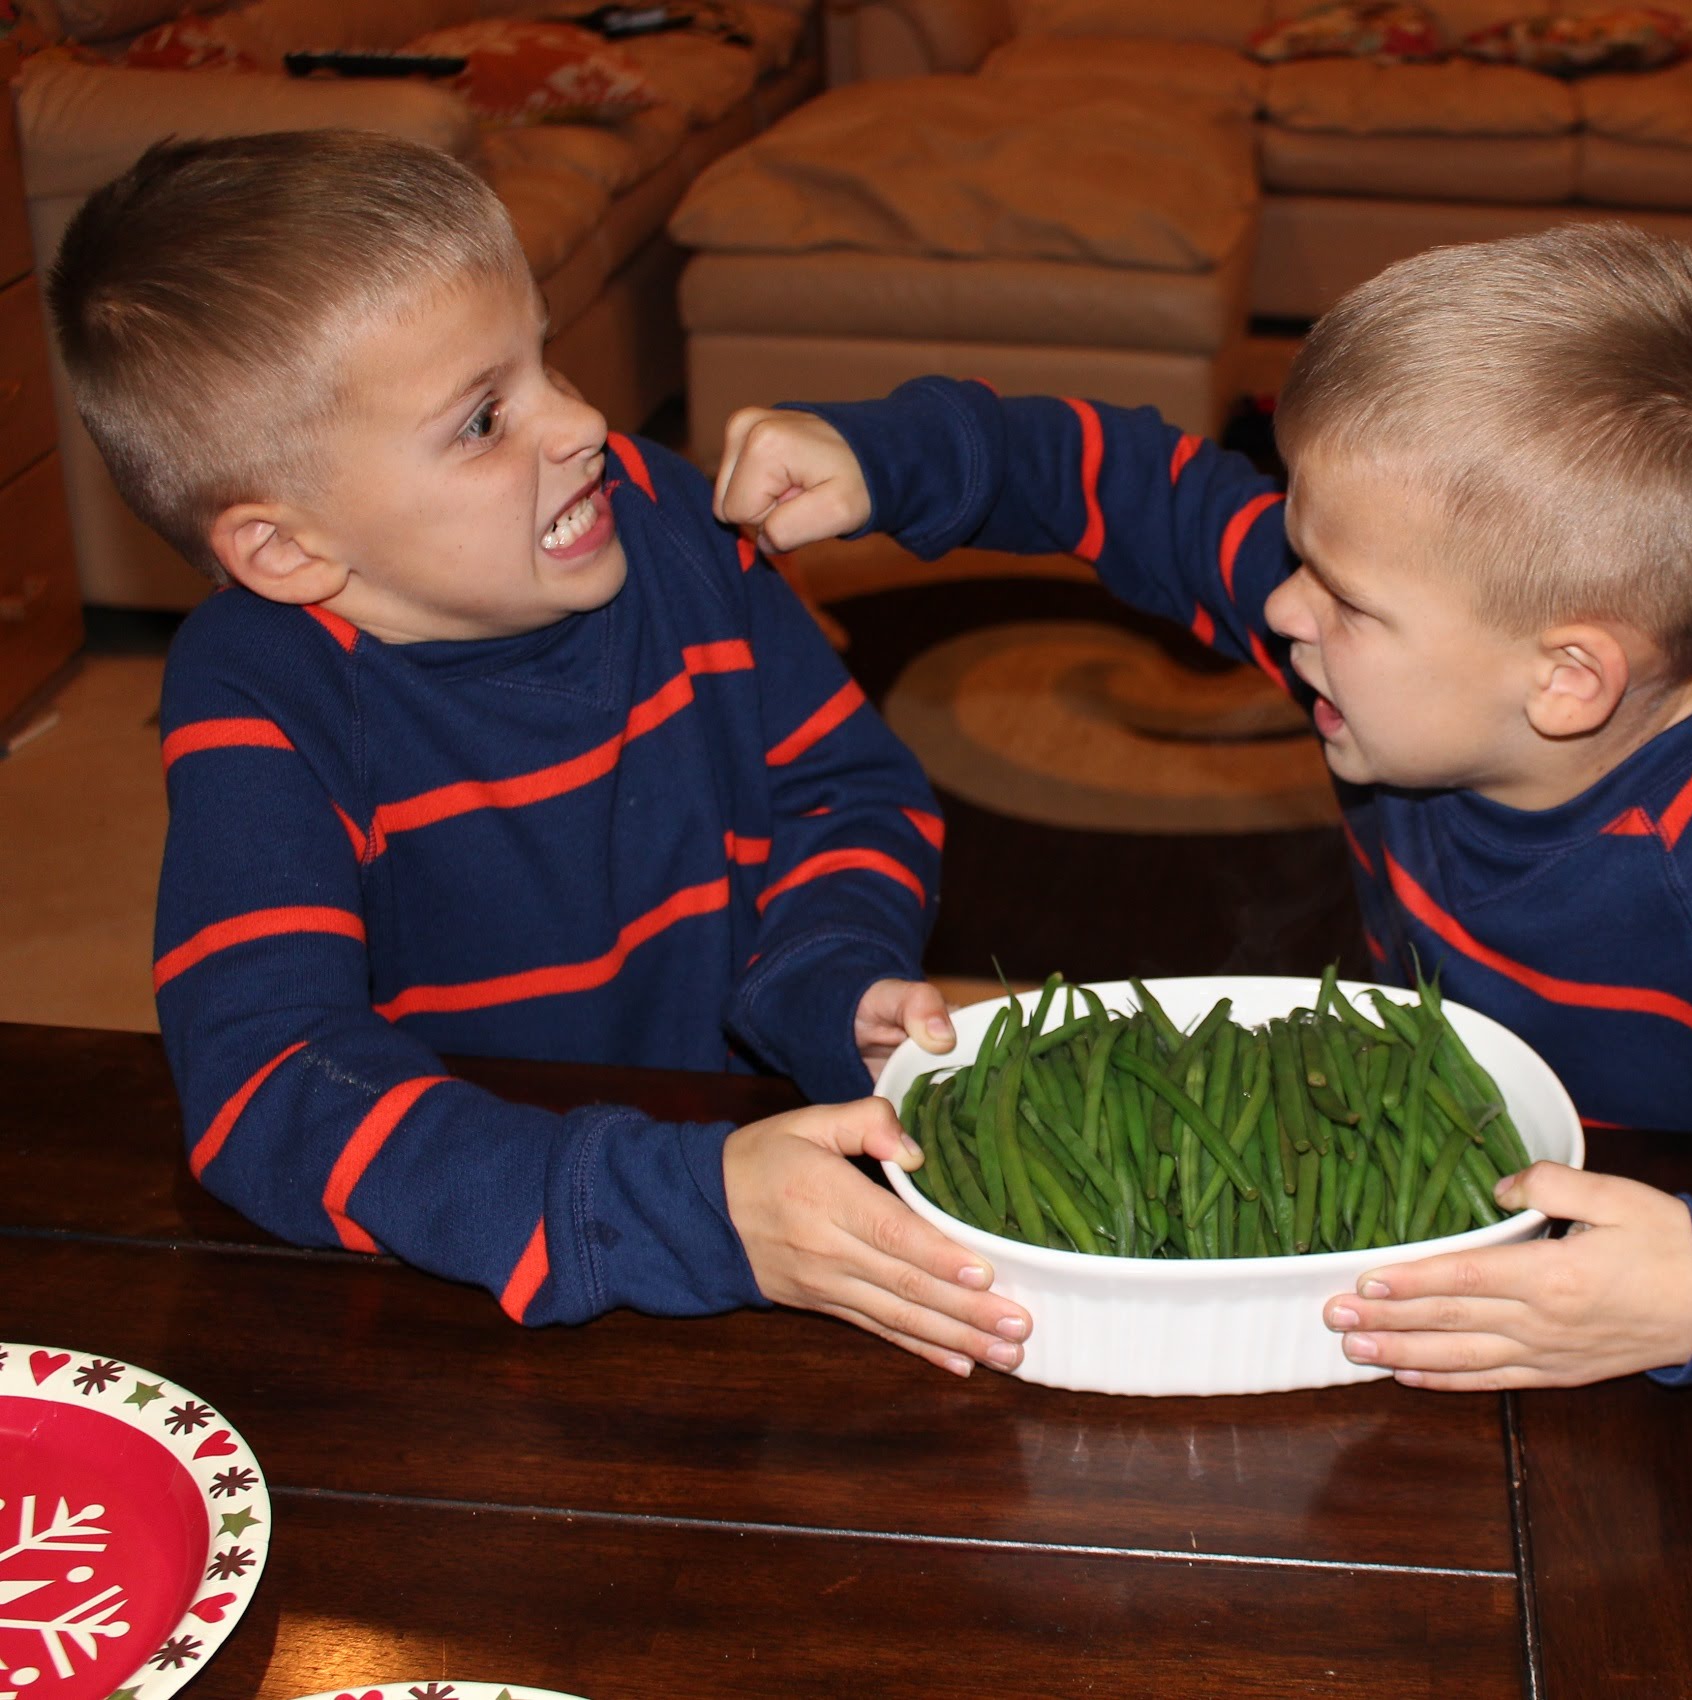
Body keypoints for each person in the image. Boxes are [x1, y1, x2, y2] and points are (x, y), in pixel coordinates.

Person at [712, 222, 1692, 1390]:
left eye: (1338, 594)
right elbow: (1131, 487)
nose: (1274, 605)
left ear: (1566, 681)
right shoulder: (1416, 659)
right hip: (1431, 1215)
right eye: (1304, 556)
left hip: (1674, 1309)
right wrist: (889, 459)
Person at [51, 131, 1030, 1376]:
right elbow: (266, 1080)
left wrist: (828, 978)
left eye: (545, 357)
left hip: (758, 1173)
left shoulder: (670, 521)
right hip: (463, 1274)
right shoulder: (262, 692)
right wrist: (656, 1200)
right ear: (288, 551)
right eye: (483, 418)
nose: (584, 422)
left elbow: (847, 792)